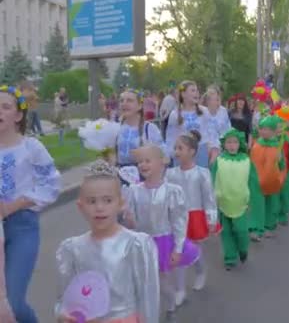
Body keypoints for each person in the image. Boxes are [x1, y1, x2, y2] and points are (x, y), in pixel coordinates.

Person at [55, 161, 159, 323]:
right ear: (80, 206)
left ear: (121, 203)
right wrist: (64, 314)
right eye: (91, 201)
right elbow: (65, 297)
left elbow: (148, 297)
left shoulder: (136, 244)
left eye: (108, 200)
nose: (99, 208)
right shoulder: (72, 248)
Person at [0, 85, 61, 322]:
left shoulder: (31, 147)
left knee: (13, 302)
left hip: (22, 226)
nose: (0, 112)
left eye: (5, 107)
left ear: (18, 115)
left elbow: (51, 184)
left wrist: (11, 206)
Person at [123, 144, 199, 320]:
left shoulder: (172, 191)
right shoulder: (133, 191)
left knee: (162, 280)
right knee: (141, 281)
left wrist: (178, 248)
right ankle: (145, 313)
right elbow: (131, 223)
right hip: (141, 242)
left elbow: (179, 221)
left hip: (163, 241)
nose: (143, 165)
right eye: (140, 162)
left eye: (147, 160)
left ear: (162, 163)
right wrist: (128, 218)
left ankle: (171, 302)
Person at [166, 131, 218, 306]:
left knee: (193, 250)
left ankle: (201, 270)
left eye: (180, 148)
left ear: (192, 151)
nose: (177, 151)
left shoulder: (202, 173)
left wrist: (211, 219)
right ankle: (180, 289)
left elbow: (209, 198)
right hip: (176, 217)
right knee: (178, 252)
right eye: (175, 148)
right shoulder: (170, 174)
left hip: (195, 216)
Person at [211, 129, 263, 270]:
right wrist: (213, 200)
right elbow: (212, 179)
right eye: (229, 142)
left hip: (241, 203)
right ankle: (229, 258)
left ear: (240, 144)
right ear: (224, 144)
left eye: (235, 142)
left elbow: (253, 182)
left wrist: (252, 201)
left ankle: (243, 248)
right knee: (226, 232)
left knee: (241, 230)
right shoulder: (219, 161)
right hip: (223, 202)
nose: (232, 145)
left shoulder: (246, 161)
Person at [166, 81, 220, 168]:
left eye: (197, 90)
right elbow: (170, 138)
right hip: (182, 154)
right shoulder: (175, 114)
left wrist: (214, 150)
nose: (197, 93)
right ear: (183, 94)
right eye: (193, 90)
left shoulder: (204, 111)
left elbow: (212, 132)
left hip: (201, 152)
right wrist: (170, 155)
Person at [249, 116, 285, 240]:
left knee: (271, 204)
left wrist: (280, 178)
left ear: (274, 131)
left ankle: (268, 227)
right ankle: (256, 229)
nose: (264, 131)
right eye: (262, 129)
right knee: (257, 205)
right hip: (257, 181)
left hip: (272, 180)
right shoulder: (256, 145)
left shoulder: (277, 146)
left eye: (267, 129)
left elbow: (282, 165)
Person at [115, 90, 165, 172]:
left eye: (129, 100)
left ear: (140, 105)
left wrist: (144, 154)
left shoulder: (150, 128)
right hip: (120, 174)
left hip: (143, 175)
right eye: (121, 101)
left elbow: (164, 156)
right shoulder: (116, 128)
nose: (124, 103)